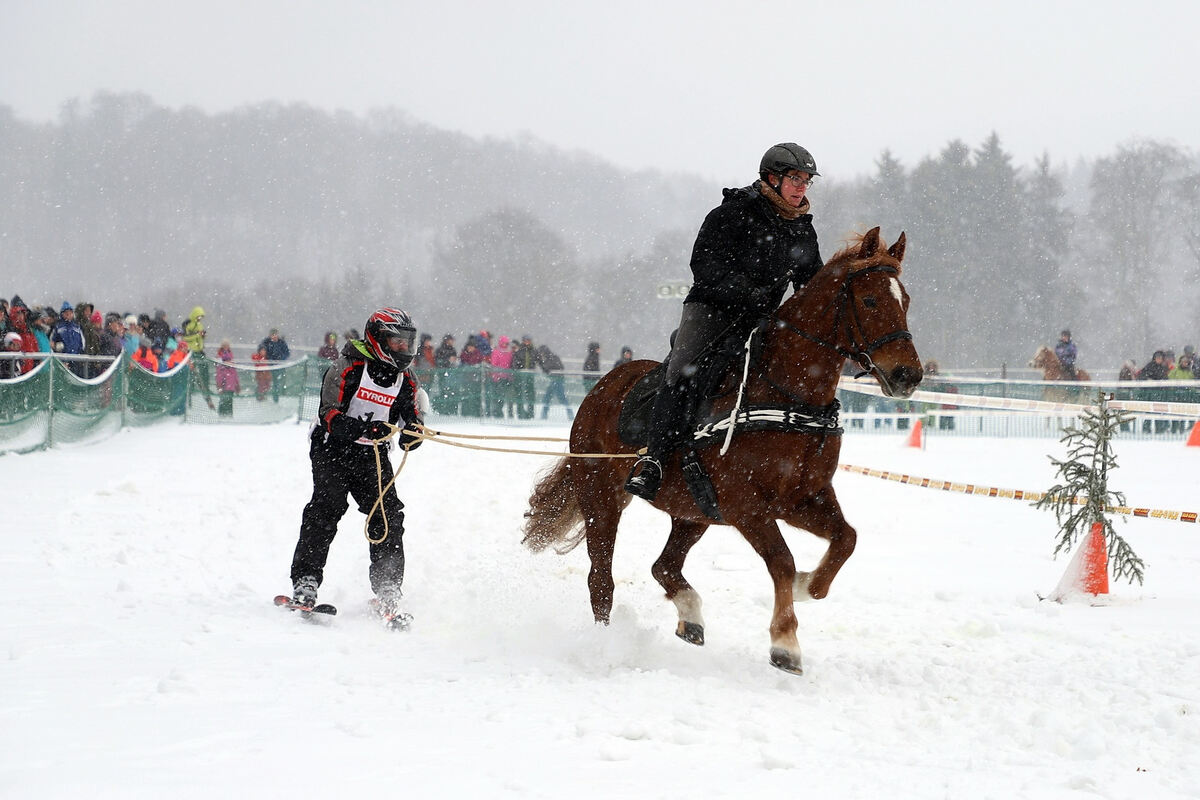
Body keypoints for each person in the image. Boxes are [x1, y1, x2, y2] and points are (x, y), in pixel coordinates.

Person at [626, 143, 824, 500]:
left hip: (761, 318)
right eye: (796, 178)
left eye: (807, 181)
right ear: (772, 178)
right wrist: (747, 292)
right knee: (682, 370)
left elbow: (811, 287)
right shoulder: (733, 213)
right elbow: (704, 265)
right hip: (711, 310)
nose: (802, 187)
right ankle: (654, 461)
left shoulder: (803, 231)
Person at [289, 307, 424, 624]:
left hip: (372, 455)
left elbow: (413, 417)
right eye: (397, 341)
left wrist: (413, 434)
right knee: (327, 508)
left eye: (407, 342)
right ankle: (306, 581)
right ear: (378, 339)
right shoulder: (347, 366)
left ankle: (388, 586)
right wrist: (361, 429)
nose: (403, 348)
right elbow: (329, 414)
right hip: (331, 449)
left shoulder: (406, 378)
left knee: (388, 515)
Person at [537, 344, 574, 420]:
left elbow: (555, 368)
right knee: (548, 397)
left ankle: (570, 414)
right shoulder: (549, 358)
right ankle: (544, 415)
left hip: (557, 380)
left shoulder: (551, 358)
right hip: (554, 380)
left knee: (560, 398)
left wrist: (547, 368)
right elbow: (548, 369)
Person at [50, 301, 86, 377]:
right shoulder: (58, 327)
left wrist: (80, 356)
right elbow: (51, 342)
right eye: (66, 313)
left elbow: (82, 344)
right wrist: (58, 348)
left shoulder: (77, 327)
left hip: (76, 361)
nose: (68, 315)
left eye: (70, 312)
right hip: (62, 361)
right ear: (62, 314)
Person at [260, 328, 291, 402]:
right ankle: (263, 396)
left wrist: (281, 359)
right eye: (272, 335)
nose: (274, 336)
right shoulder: (266, 342)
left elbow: (287, 353)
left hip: (279, 366)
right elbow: (262, 351)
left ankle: (276, 397)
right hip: (268, 366)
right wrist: (270, 359)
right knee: (265, 381)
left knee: (277, 382)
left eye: (275, 334)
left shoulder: (281, 343)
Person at [512, 334, 538, 419]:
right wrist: (517, 371)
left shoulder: (534, 351)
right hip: (520, 376)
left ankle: (530, 413)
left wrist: (547, 369)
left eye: (528, 340)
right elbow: (515, 362)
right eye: (525, 340)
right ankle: (520, 413)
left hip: (530, 376)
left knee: (530, 394)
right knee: (520, 394)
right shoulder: (519, 351)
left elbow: (540, 361)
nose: (527, 342)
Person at [215, 339, 240, 417]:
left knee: (229, 401)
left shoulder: (231, 362)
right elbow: (219, 375)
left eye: (227, 345)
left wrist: (237, 385)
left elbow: (235, 374)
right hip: (224, 385)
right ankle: (222, 415)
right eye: (225, 346)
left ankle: (229, 415)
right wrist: (219, 385)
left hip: (231, 386)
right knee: (223, 400)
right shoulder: (220, 361)